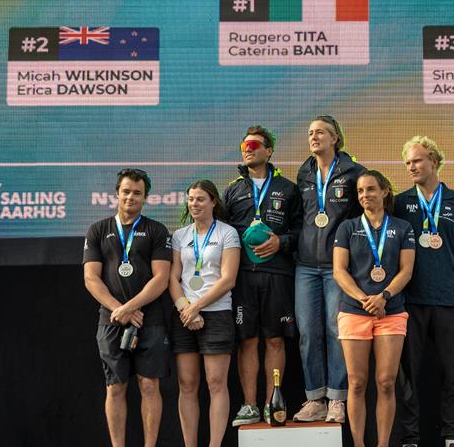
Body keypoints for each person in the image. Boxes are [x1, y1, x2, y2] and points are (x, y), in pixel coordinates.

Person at [395, 136, 454, 447]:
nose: (411, 167)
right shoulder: (401, 203)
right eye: (407, 163)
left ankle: (453, 435)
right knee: (409, 376)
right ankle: (410, 436)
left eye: (416, 160)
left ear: (434, 160)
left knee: (453, 374)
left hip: (448, 302)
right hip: (410, 301)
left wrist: (450, 282)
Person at [83, 168, 172, 447]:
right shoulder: (98, 230)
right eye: (126, 191)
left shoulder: (156, 230)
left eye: (137, 193)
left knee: (149, 385)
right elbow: (91, 278)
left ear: (145, 197)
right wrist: (118, 310)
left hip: (151, 320)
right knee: (115, 387)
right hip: (110, 322)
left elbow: (161, 278)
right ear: (117, 194)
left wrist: (130, 307)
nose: (131, 197)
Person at [224, 126, 303, 426]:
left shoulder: (288, 188)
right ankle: (248, 404)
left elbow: (300, 231)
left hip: (278, 274)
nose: (248, 148)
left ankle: (273, 403)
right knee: (247, 340)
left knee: (274, 341)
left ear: (269, 150)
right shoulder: (232, 190)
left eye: (255, 144)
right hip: (243, 275)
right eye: (245, 144)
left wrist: (280, 242)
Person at [333, 170, 416, 447]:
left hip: (390, 312)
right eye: (360, 192)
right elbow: (339, 271)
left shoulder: (403, 228)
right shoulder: (347, 228)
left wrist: (384, 296)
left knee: (386, 382)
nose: (365, 196)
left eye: (370, 189)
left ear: (385, 191)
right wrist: (364, 299)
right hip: (354, 311)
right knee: (356, 384)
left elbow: (406, 271)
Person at [293, 114, 366, 423]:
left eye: (321, 132)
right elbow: (302, 218)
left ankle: (337, 398)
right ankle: (314, 399)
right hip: (306, 266)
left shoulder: (353, 172)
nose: (314, 137)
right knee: (308, 332)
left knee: (337, 331)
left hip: (339, 267)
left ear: (336, 138)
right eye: (311, 132)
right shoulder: (304, 173)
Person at [169, 180, 241, 447]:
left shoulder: (227, 233)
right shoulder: (180, 235)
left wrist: (198, 307)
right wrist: (185, 308)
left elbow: (228, 279)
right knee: (187, 384)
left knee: (215, 383)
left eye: (200, 199)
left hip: (217, 313)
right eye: (190, 199)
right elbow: (173, 278)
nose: (194, 204)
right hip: (184, 315)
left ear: (213, 202)